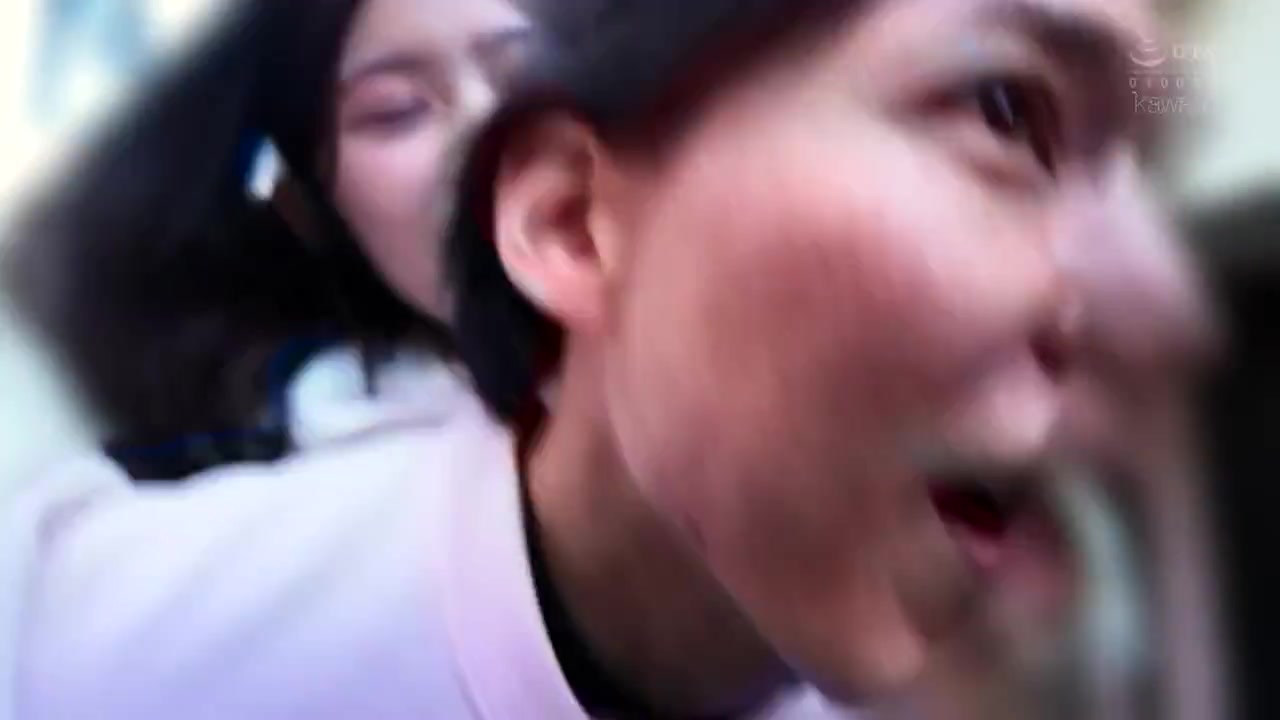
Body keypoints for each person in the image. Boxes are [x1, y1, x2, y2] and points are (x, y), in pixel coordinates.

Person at [5, 0, 1191, 717]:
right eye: (1001, 109)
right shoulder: (100, 617)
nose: (1165, 307)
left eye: (520, 53)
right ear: (566, 215)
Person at [4, 0, 532, 479]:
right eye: (396, 109)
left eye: (525, 71)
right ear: (300, 203)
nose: (488, 123)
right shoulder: (340, 477)